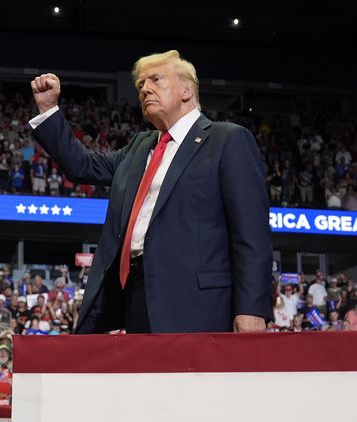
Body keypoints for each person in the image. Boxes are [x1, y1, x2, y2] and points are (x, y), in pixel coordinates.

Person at [29, 50, 272, 333]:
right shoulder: (139, 146)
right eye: (141, 84)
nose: (145, 89)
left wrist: (252, 307)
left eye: (156, 79)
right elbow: (82, 165)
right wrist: (48, 110)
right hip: (136, 297)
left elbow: (251, 233)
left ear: (186, 89)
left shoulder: (226, 140)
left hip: (199, 306)